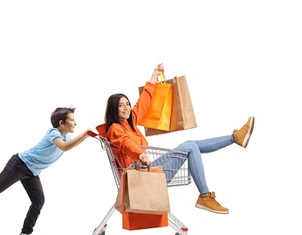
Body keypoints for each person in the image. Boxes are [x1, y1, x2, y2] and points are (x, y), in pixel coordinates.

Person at [97, 63, 254, 214]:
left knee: (189, 144)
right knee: (190, 147)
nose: (126, 108)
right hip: (139, 176)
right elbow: (125, 144)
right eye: (121, 105)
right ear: (114, 109)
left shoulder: (130, 122)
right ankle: (205, 196)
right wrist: (139, 154)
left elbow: (144, 101)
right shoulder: (115, 129)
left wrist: (154, 75)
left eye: (127, 104)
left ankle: (235, 138)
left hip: (144, 169)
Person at [0, 107, 91, 235]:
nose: (75, 123)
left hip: (32, 172)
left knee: (38, 201)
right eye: (72, 120)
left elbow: (68, 145)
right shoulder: (53, 132)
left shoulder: (66, 138)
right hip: (20, 164)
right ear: (61, 123)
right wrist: (84, 135)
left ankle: (25, 234)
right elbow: (64, 147)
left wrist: (86, 136)